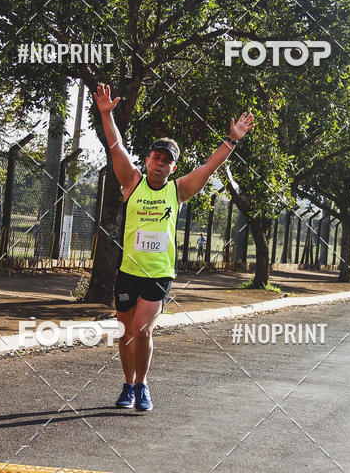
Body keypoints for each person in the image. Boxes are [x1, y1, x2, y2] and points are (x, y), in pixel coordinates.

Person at [93, 83, 255, 412]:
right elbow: (115, 147)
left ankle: (143, 384)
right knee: (124, 332)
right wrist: (107, 115)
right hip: (128, 272)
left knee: (141, 329)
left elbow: (210, 167)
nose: (160, 164)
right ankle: (128, 385)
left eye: (167, 161)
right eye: (156, 158)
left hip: (158, 274)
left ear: (173, 167)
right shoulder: (132, 182)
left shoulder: (178, 191)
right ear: (148, 159)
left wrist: (232, 139)